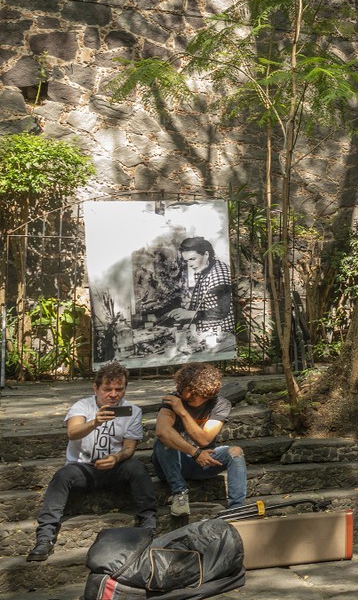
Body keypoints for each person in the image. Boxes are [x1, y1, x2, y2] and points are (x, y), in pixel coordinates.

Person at [28, 361, 157, 562]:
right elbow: (72, 433)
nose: (113, 394)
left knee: (138, 468)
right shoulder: (82, 406)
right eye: (107, 389)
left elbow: (129, 448)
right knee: (62, 476)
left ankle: (148, 526)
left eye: (119, 389)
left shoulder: (132, 410)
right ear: (96, 388)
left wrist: (116, 457)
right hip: (82, 469)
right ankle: (45, 537)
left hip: (114, 468)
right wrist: (95, 421)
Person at [152, 362, 248, 516]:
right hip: (171, 463)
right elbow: (162, 431)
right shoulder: (173, 400)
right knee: (164, 442)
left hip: (203, 462)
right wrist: (195, 453)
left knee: (235, 452)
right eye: (183, 389)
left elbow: (204, 440)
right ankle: (180, 494)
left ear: (205, 395)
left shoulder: (220, 405)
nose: (185, 395)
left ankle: (237, 508)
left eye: (191, 394)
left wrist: (182, 413)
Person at [162, 237, 233, 337]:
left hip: (224, 334)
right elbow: (201, 302)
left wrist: (189, 314)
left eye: (192, 259)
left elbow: (220, 312)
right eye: (187, 261)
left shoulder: (219, 276)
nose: (190, 264)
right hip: (206, 331)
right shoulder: (203, 268)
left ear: (206, 254)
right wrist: (184, 313)